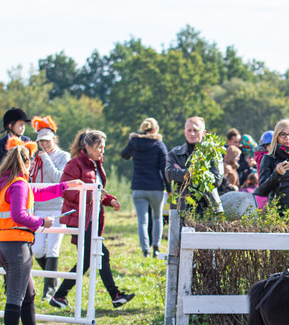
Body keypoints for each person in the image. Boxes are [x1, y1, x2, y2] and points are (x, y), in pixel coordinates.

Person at [0, 139, 83, 325]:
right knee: (16, 295)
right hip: (16, 244)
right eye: (30, 161)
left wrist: (65, 186)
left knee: (28, 293)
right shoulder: (19, 184)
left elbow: (37, 195)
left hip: (4, 243)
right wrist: (42, 223)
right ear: (26, 162)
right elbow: (19, 215)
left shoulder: (7, 183)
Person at [49, 129, 135, 310]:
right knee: (100, 254)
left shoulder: (96, 164)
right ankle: (115, 295)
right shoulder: (74, 164)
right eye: (99, 147)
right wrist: (89, 197)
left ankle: (59, 295)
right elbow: (65, 189)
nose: (102, 151)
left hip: (92, 219)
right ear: (87, 147)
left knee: (88, 259)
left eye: (103, 147)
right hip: (81, 219)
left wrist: (109, 199)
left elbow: (97, 190)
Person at [28, 117, 71, 300]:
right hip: (39, 207)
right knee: (37, 250)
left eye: (47, 140)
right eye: (41, 141)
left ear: (54, 138)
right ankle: (52, 279)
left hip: (57, 207)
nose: (44, 144)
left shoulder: (63, 156)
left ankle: (49, 291)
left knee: (53, 249)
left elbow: (58, 179)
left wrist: (45, 158)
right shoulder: (35, 158)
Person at [120, 117, 169, 258]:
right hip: (156, 188)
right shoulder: (159, 144)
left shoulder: (135, 142)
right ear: (155, 130)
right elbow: (164, 168)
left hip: (139, 187)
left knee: (142, 220)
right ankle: (156, 248)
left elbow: (124, 155)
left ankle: (145, 250)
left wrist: (133, 145)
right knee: (157, 218)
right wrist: (169, 189)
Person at [166, 117, 232, 214]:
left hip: (208, 206)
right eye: (189, 130)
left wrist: (184, 175)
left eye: (196, 130)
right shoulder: (175, 153)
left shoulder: (213, 152)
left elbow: (216, 179)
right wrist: (199, 175)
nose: (192, 134)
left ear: (204, 132)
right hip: (181, 207)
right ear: (184, 132)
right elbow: (169, 175)